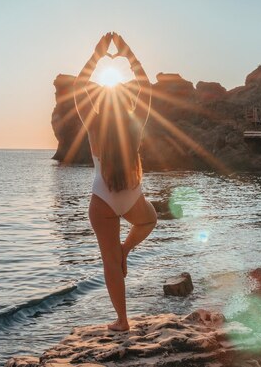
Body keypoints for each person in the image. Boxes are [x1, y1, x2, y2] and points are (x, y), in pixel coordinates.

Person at [72, 32, 157, 331]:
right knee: (149, 221)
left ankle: (122, 321)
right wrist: (127, 53)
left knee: (110, 263)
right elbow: (145, 87)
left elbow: (78, 88)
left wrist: (97, 55)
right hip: (132, 197)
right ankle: (126, 249)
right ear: (125, 106)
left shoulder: (94, 124)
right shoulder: (135, 126)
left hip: (102, 200)